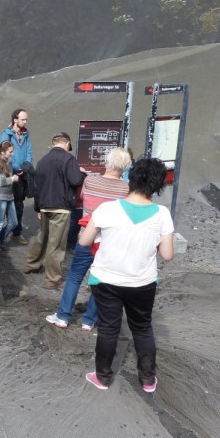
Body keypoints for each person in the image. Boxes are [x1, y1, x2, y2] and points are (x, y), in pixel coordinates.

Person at [79, 157, 174, 393]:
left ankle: (102, 377)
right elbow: (167, 254)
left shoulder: (107, 209)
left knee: (109, 329)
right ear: (158, 185)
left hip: (106, 280)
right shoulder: (162, 214)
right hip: (142, 282)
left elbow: (84, 241)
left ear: (131, 178)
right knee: (142, 328)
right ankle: (148, 379)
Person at [46, 147, 131, 330]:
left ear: (107, 162)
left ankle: (63, 316)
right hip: (109, 241)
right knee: (99, 280)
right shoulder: (126, 189)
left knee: (75, 276)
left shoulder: (90, 181)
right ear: (124, 166)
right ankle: (89, 320)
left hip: (86, 236)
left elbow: (82, 199)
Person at [23, 132, 86, 289]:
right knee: (56, 245)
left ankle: (31, 264)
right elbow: (75, 180)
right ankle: (52, 280)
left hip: (44, 206)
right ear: (66, 144)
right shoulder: (68, 159)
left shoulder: (43, 161)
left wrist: (38, 207)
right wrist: (82, 173)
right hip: (61, 208)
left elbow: (37, 187)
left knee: (42, 237)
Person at [0, 108, 32, 244]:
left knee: (19, 204)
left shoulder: (26, 134)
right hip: (12, 174)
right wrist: (17, 168)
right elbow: (4, 155)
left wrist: (27, 166)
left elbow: (29, 151)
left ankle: (16, 232)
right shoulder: (6, 135)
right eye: (23, 119)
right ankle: (4, 236)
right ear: (15, 120)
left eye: (26, 119)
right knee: (9, 204)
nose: (25, 121)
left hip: (23, 173)